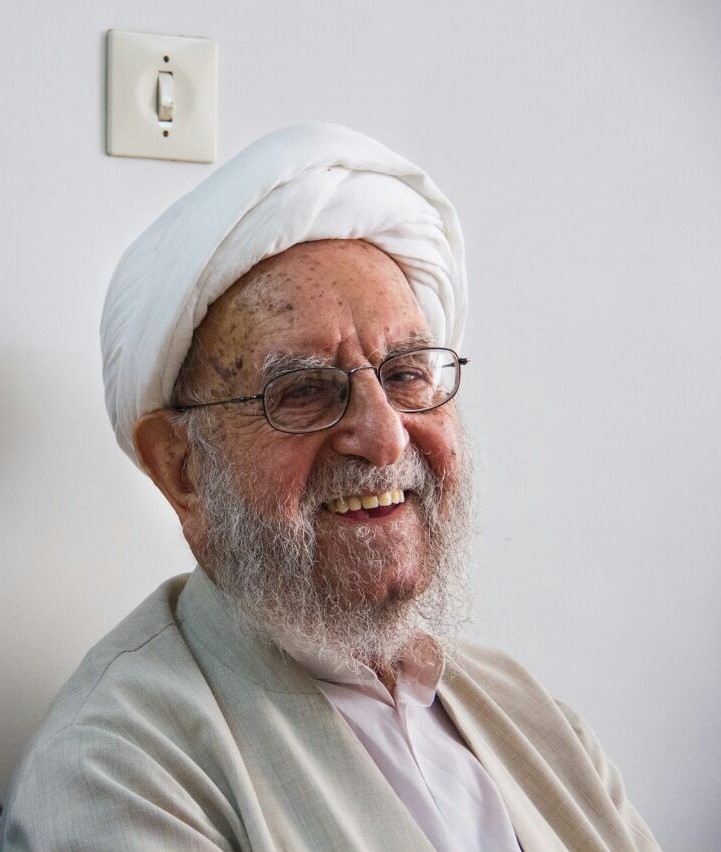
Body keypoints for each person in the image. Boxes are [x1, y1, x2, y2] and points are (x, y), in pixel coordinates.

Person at [0, 124, 660, 851]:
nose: (385, 437)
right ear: (182, 468)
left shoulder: (528, 712)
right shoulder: (117, 769)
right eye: (304, 391)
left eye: (406, 374)